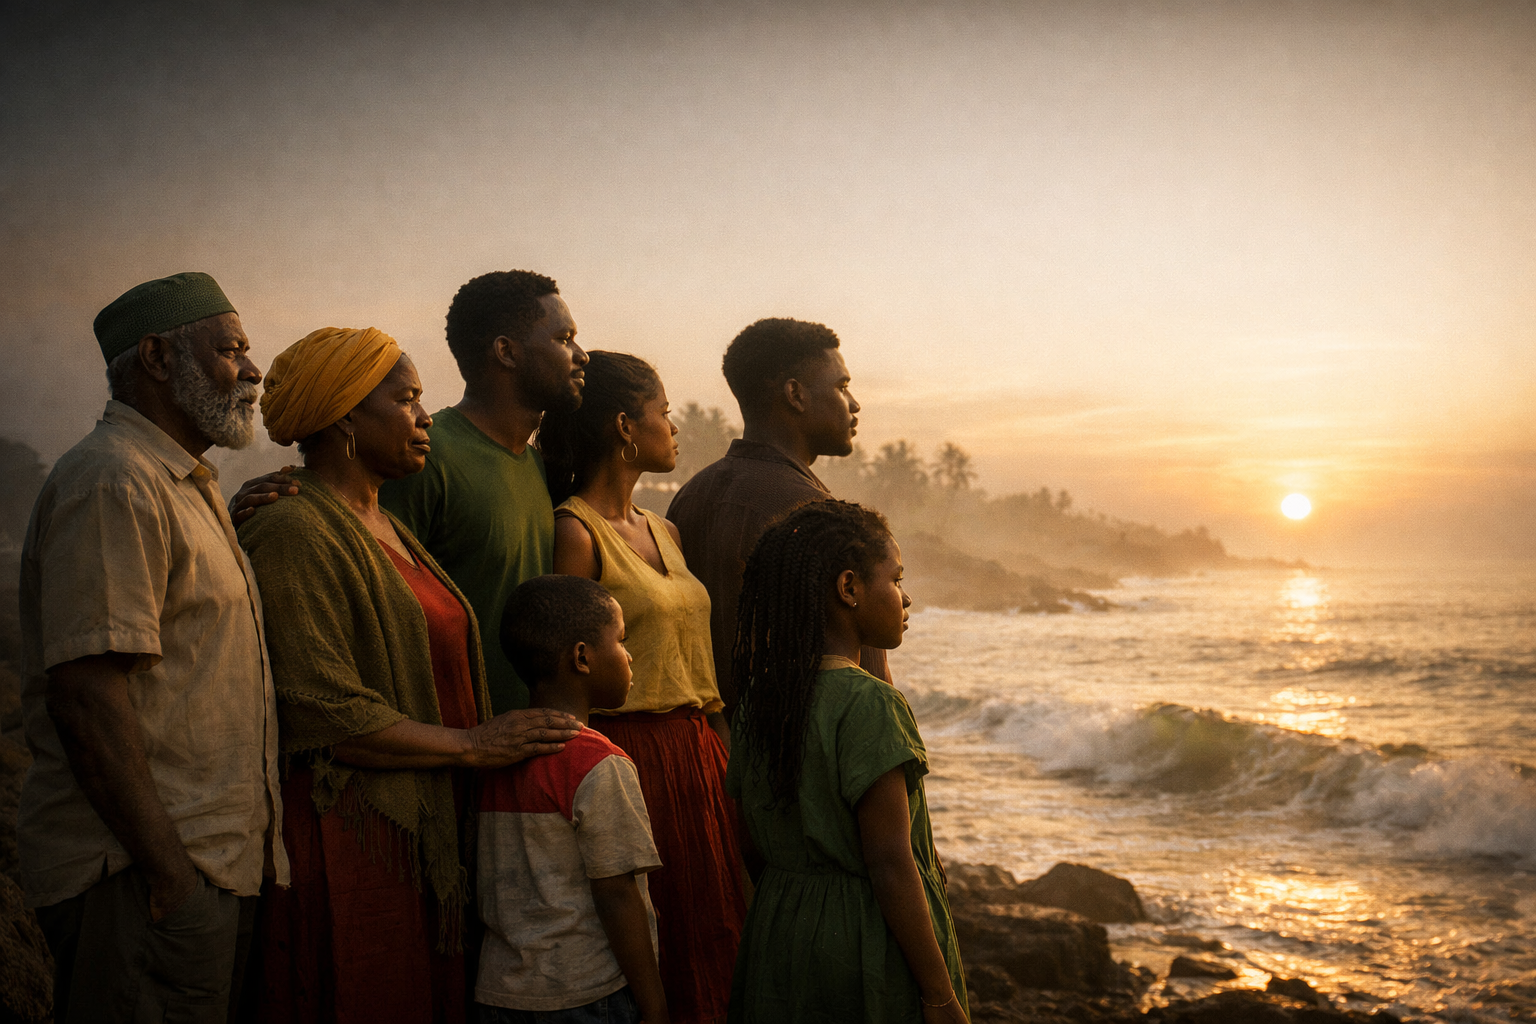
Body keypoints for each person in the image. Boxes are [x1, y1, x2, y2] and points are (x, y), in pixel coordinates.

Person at [237, 326, 582, 1023]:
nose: (425, 418)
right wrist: (472, 745)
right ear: (344, 419)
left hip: (419, 829)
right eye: (406, 400)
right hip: (353, 839)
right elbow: (320, 709)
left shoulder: (388, 526)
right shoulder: (292, 529)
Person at [18, 272, 288, 1023]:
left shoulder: (180, 485)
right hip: (143, 876)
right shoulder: (115, 481)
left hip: (200, 869)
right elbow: (86, 698)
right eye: (231, 350)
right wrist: (171, 875)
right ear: (158, 358)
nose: (254, 371)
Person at [230, 270, 588, 716]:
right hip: (435, 736)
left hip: (498, 736)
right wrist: (469, 743)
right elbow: (359, 646)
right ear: (506, 351)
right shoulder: (425, 461)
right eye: (564, 338)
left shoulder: (535, 466)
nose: (580, 354)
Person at [541, 352, 746, 1024]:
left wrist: (728, 765)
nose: (674, 425)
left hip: (699, 754)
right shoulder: (575, 532)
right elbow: (566, 673)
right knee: (660, 940)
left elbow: (698, 673)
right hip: (627, 760)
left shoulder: (667, 530)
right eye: (664, 411)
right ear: (625, 426)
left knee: (717, 931)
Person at [726, 501, 968, 1024]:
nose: (906, 598)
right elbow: (890, 864)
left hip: (779, 931)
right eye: (896, 579)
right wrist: (939, 996)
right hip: (865, 942)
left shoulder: (760, 700)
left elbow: (748, 837)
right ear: (849, 588)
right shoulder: (871, 703)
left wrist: (800, 895)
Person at [666, 317, 889, 718]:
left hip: (710, 740)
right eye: (841, 387)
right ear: (795, 394)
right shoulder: (818, 516)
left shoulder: (691, 497)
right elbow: (865, 678)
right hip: (796, 744)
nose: (854, 404)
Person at [479, 574, 668, 1024]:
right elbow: (617, 894)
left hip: (500, 993)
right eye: (621, 641)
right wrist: (655, 1005)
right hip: (586, 995)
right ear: (582, 657)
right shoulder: (600, 763)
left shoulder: (493, 755)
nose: (629, 655)